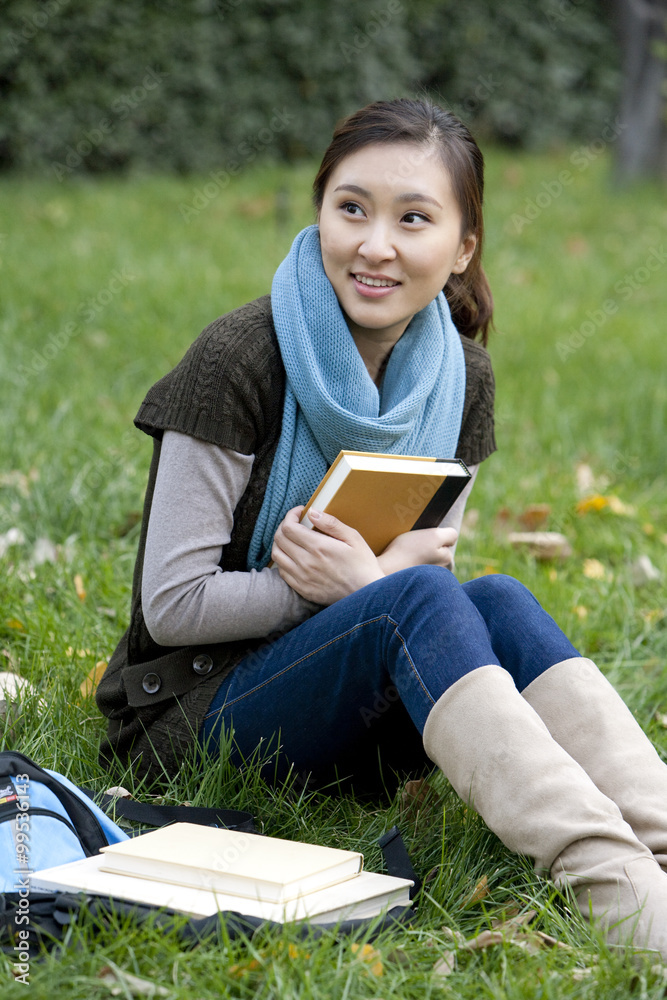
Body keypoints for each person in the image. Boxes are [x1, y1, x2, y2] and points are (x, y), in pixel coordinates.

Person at [96, 98, 667, 955]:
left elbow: (428, 568)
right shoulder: (238, 360)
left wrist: (369, 589)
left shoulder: (460, 377)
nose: (375, 245)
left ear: (461, 246)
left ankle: (655, 842)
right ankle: (618, 898)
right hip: (190, 709)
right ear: (319, 211)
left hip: (349, 710)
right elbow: (172, 607)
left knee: (498, 598)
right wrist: (328, 593)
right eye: (351, 208)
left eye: (413, 218)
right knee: (411, 602)